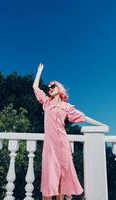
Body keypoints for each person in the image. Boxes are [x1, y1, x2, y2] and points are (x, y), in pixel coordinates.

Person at [33, 63, 109, 200]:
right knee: (49, 180)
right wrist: (39, 72)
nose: (49, 88)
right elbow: (35, 88)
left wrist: (102, 124)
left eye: (53, 86)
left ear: (60, 89)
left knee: (62, 179)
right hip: (50, 147)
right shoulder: (46, 103)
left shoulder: (66, 106)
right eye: (48, 87)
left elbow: (84, 117)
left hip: (63, 145)